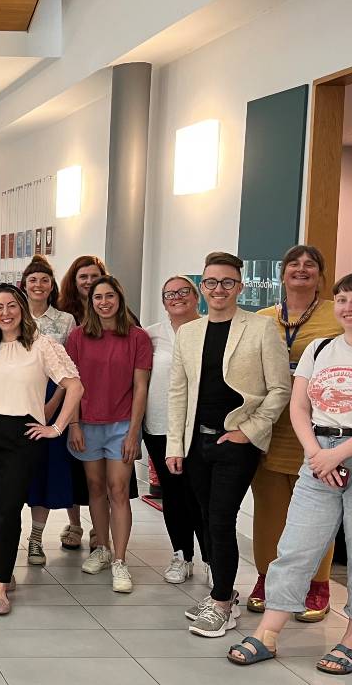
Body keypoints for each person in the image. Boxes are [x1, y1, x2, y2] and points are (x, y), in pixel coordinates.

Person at [230, 271, 352, 673]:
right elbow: (299, 407)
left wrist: (337, 454)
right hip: (318, 456)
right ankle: (269, 632)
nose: (348, 307)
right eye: (341, 299)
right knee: (296, 548)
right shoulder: (321, 348)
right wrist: (316, 454)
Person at [166, 251, 290, 638]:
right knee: (205, 517)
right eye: (211, 282)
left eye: (227, 282)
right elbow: (178, 392)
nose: (218, 289)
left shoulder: (261, 329)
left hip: (237, 441)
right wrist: (174, 445)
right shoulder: (188, 332)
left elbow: (280, 389)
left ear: (240, 286)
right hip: (196, 442)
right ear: (202, 287)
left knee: (221, 519)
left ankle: (221, 602)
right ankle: (223, 591)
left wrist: (249, 430)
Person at [0, 283, 81, 615]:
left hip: (21, 433)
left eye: (12, 306)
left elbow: (75, 386)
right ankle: (4, 572)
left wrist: (56, 427)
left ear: (22, 309)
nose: (6, 313)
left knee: (8, 508)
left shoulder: (43, 346)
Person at [249, 245, 342, 619]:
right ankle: (265, 578)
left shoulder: (339, 315)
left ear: (321, 274)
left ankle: (317, 584)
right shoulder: (262, 318)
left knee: (319, 511)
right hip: (270, 428)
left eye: (310, 265)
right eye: (294, 265)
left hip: (320, 431)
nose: (301, 270)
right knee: (269, 510)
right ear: (282, 274)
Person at [65, 275, 150, 594]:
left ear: (119, 299)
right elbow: (71, 383)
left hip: (121, 426)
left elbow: (141, 387)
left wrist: (132, 433)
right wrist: (73, 424)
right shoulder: (77, 337)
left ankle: (120, 560)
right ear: (91, 302)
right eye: (98, 297)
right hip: (87, 423)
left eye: (109, 296)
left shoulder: (138, 338)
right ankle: (101, 547)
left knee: (118, 488)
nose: (103, 302)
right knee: (95, 487)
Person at [144, 275, 207, 583]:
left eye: (184, 291)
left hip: (199, 428)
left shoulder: (210, 329)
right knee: (173, 494)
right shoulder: (151, 335)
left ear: (196, 297)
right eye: (169, 293)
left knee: (200, 495)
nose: (177, 297)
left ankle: (210, 558)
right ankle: (182, 554)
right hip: (158, 426)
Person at [21, 254, 79, 566]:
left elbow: (68, 370)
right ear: (24, 285)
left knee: (44, 471)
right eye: (33, 280)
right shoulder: (12, 316)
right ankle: (2, 538)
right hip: (15, 399)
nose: (39, 285)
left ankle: (36, 538)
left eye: (44, 280)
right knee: (15, 472)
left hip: (51, 400)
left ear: (51, 285)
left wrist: (55, 404)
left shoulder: (65, 320)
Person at [56, 254, 108, 550]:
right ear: (73, 282)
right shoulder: (65, 315)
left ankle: (99, 530)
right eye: (83, 277)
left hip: (107, 404)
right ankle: (75, 525)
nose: (89, 282)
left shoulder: (117, 311)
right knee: (74, 469)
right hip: (71, 402)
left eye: (93, 275)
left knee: (103, 475)